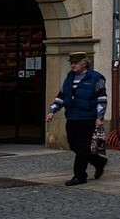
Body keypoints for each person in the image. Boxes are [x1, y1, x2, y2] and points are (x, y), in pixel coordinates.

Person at [44, 50, 108, 186]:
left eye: (76, 63)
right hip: (72, 117)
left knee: (82, 146)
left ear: (84, 63)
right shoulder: (69, 78)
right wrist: (52, 110)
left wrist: (100, 117)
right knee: (74, 145)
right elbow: (61, 96)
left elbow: (102, 99)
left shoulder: (96, 78)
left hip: (87, 118)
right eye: (71, 63)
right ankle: (98, 161)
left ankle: (79, 176)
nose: (73, 66)